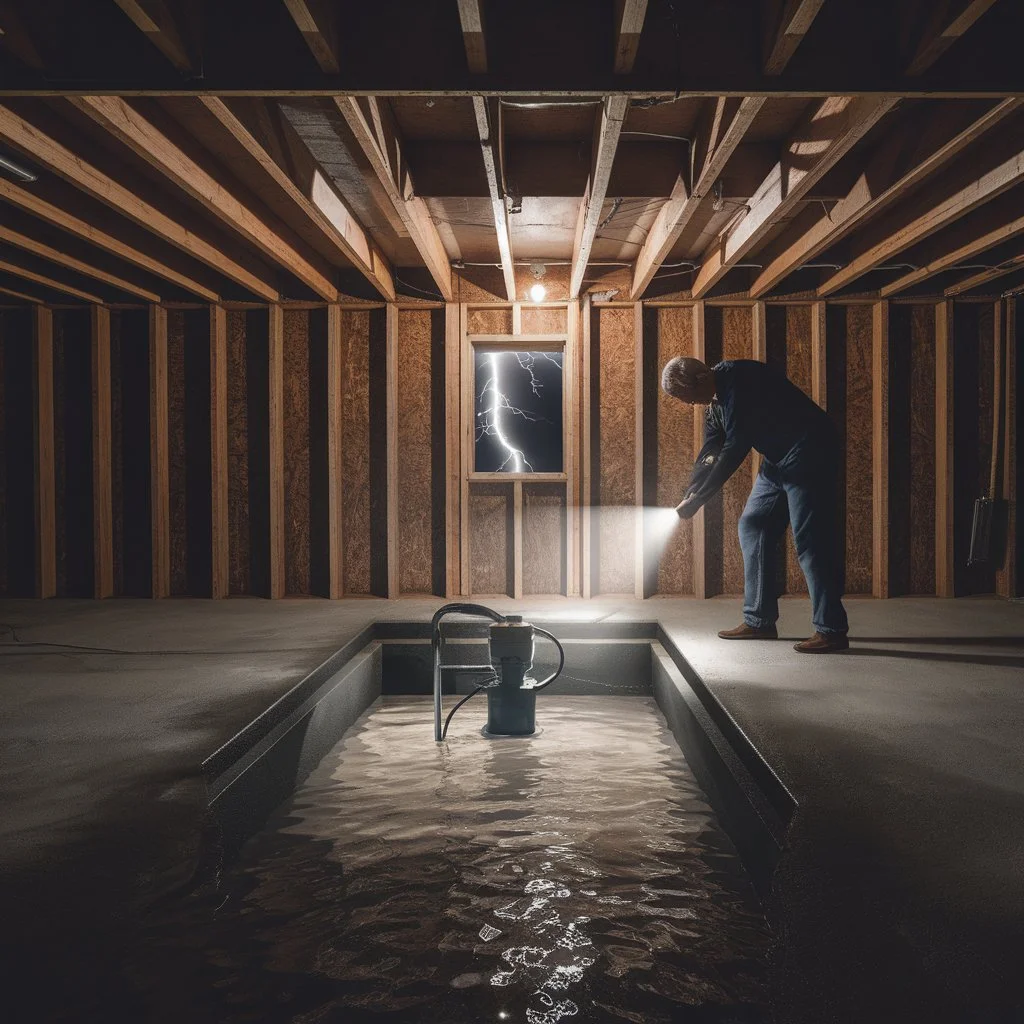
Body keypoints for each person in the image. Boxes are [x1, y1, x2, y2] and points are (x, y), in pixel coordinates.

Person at [662, 356, 849, 654]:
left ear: (700, 379)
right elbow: (711, 450)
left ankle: (831, 630)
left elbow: (735, 447)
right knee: (753, 526)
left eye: (687, 397)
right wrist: (692, 490)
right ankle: (759, 620)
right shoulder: (714, 401)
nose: (689, 404)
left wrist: (701, 499)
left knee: (809, 541)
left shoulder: (740, 380)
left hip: (808, 449)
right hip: (778, 459)